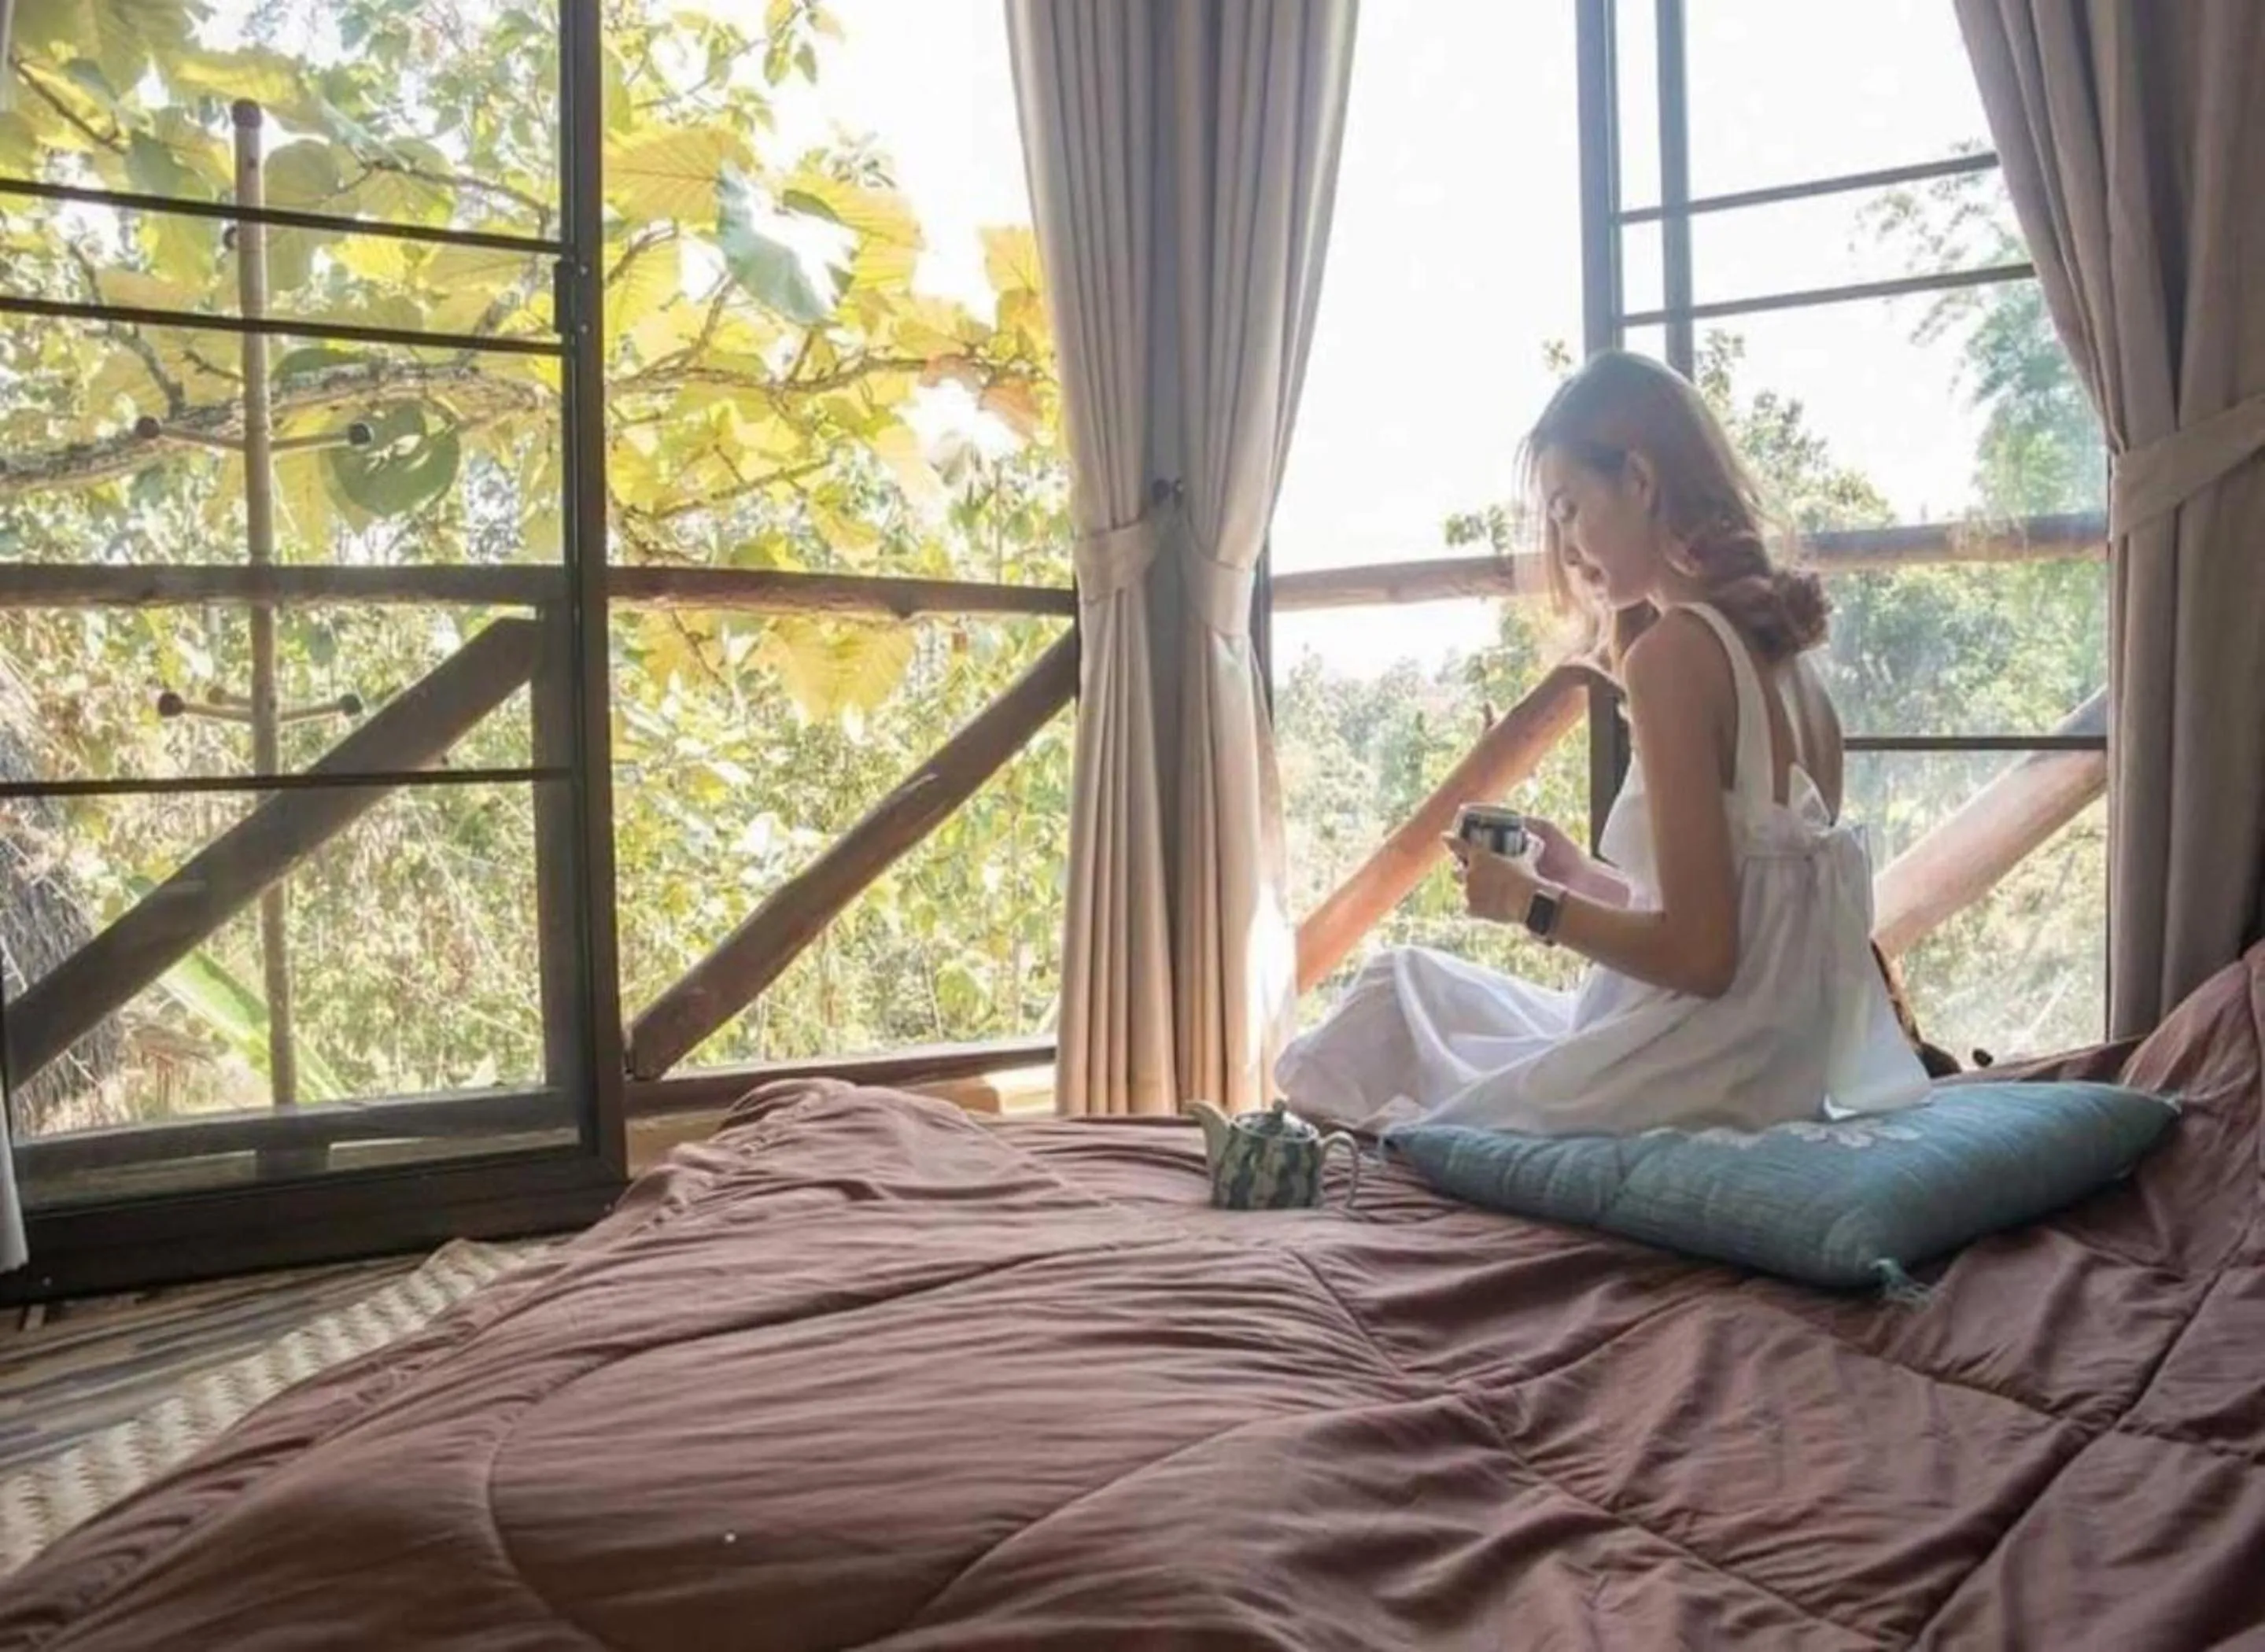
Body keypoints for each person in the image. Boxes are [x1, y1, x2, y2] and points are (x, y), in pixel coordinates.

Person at [1275, 351, 1930, 1137]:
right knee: (1416, 988)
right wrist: (1578, 877)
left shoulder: (1673, 656)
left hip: (1694, 1076)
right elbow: (1749, 922)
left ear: (1639, 482)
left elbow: (1702, 958)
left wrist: (1528, 902)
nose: (1567, 548)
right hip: (1771, 1069)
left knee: (1392, 999)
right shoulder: (1794, 671)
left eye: (1566, 508)